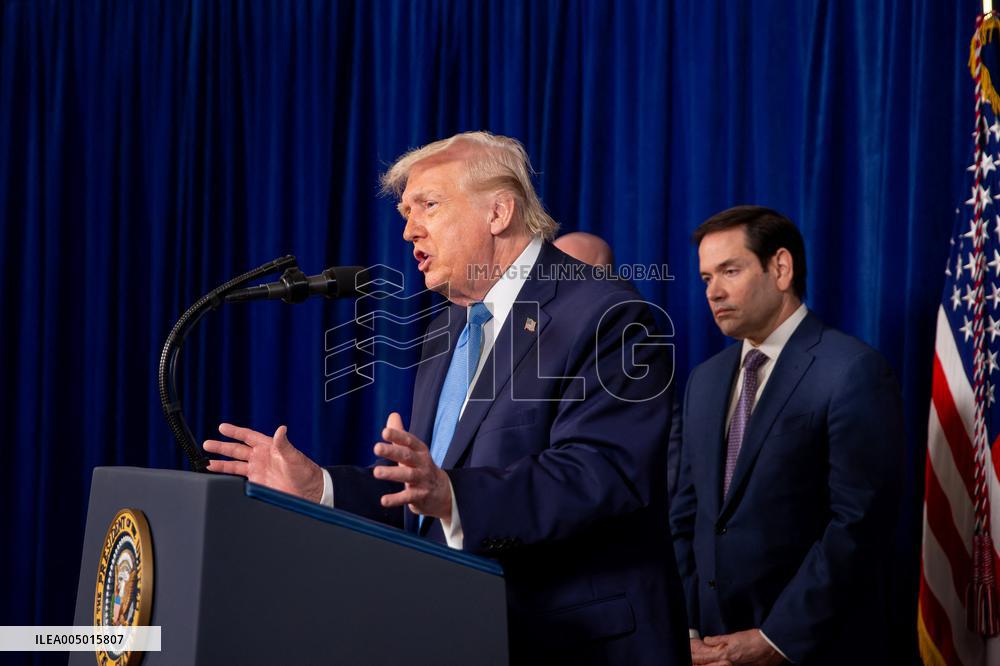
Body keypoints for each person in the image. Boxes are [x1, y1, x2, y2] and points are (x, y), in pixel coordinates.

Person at [204, 131, 691, 664]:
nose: (410, 230)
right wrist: (320, 487)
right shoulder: (447, 327)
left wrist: (451, 494)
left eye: (428, 206)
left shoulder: (606, 314)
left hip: (577, 646)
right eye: (405, 213)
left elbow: (600, 474)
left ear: (499, 212)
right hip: (465, 635)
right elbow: (426, 493)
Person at [669, 206, 902, 665]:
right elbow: (686, 516)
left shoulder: (852, 371)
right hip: (711, 651)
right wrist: (689, 626)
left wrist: (776, 639)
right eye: (705, 278)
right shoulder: (705, 379)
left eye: (729, 271)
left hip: (811, 650)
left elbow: (858, 524)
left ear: (780, 268)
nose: (713, 292)